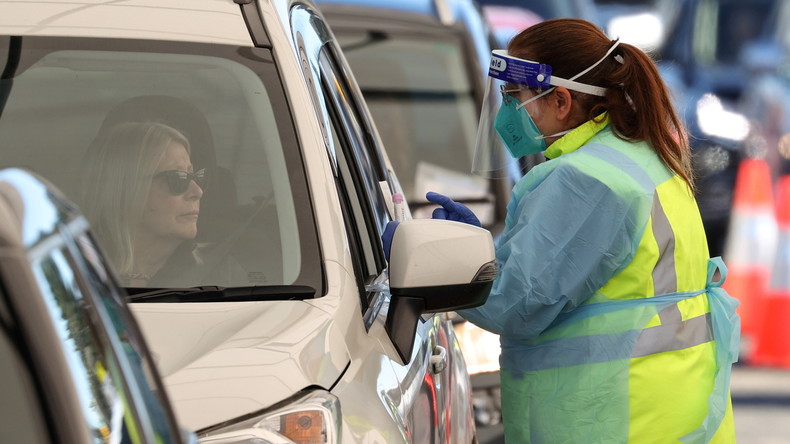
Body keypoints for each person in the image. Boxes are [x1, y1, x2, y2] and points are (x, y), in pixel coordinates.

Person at [426, 18, 741, 443]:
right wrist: (483, 250)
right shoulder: (636, 157)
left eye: (515, 97)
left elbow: (515, 305)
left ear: (560, 100)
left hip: (613, 418)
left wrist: (441, 263)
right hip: (665, 411)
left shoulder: (584, 180)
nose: (507, 113)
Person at [81, 121, 210, 287]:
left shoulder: (223, 276)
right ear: (126, 190)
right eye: (178, 178)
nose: (197, 192)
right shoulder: (72, 279)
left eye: (194, 176)